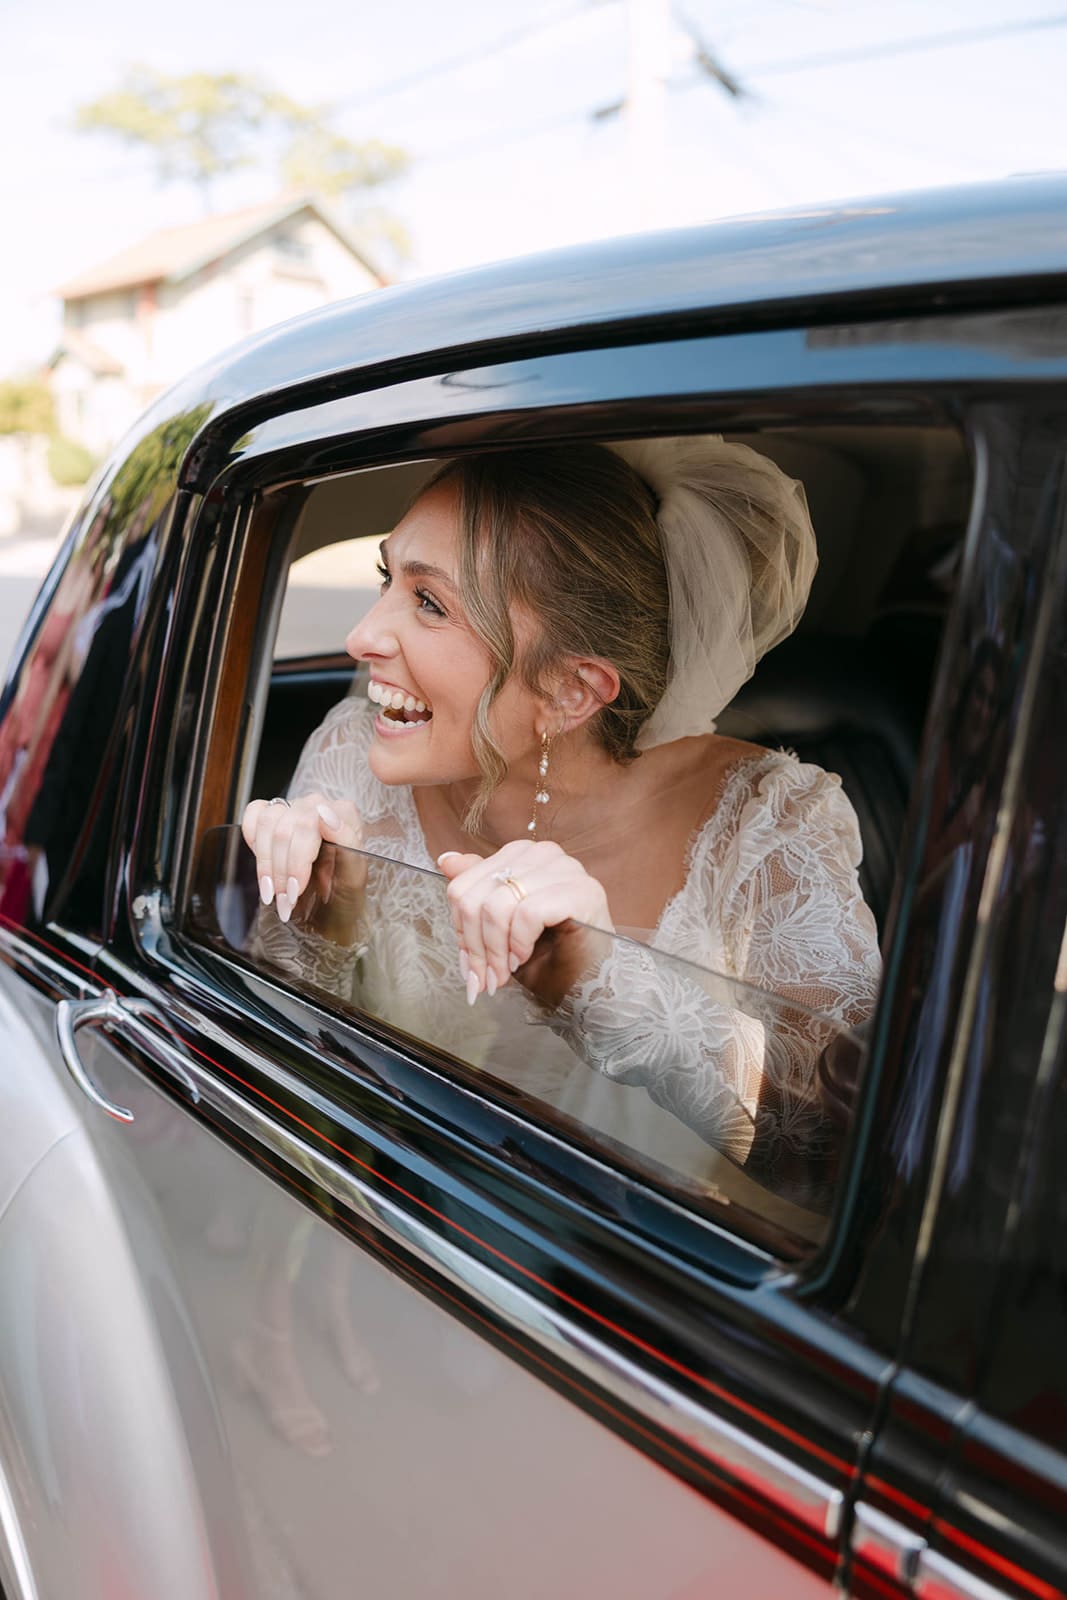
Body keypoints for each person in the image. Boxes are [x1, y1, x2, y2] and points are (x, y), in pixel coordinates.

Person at [241, 438, 881, 1208]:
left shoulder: (766, 822)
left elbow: (841, 1161)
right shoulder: (349, 754)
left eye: (429, 603)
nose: (362, 637)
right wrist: (316, 924)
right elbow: (277, 1063)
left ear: (572, 690)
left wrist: (604, 987)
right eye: (387, 578)